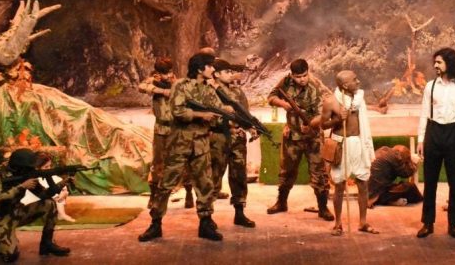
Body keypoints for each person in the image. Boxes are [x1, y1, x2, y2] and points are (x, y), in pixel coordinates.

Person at [138, 52, 224, 242]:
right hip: (179, 143)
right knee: (166, 183)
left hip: (201, 144)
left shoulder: (209, 89)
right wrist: (201, 115)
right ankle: (155, 223)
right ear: (200, 69)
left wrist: (229, 115)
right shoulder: (180, 85)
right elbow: (178, 112)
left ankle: (205, 222)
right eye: (210, 66)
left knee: (205, 184)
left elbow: (218, 112)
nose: (213, 69)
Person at [416, 48, 455, 239]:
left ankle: (453, 224)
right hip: (433, 132)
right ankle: (427, 223)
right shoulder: (430, 86)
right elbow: (424, 113)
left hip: (454, 133)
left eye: (439, 62)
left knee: (454, 182)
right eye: (435, 62)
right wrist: (421, 139)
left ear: (449, 63)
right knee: (430, 181)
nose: (435, 65)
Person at [266, 58, 335, 221]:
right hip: (292, 136)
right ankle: (281, 202)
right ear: (292, 75)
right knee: (286, 171)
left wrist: (312, 125)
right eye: (298, 77)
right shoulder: (285, 81)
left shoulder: (316, 86)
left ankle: (323, 208)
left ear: (308, 72)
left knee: (319, 173)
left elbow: (326, 111)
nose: (302, 79)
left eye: (304, 75)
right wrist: (283, 104)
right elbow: (271, 97)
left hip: (313, 137)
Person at [0, 148, 70, 262]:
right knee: (10, 257)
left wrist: (62, 183)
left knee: (49, 204)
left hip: (18, 211)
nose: (31, 169)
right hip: (0, 217)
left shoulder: (26, 171)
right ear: (20, 166)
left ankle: (47, 244)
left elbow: (43, 195)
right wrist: (21, 187)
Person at [320, 70, 377, 236]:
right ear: (345, 85)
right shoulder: (331, 101)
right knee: (339, 185)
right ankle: (338, 224)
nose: (358, 82)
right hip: (341, 144)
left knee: (363, 183)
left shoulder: (358, 98)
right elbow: (323, 125)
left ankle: (363, 222)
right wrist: (338, 119)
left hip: (359, 142)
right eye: (355, 80)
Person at [211, 59, 256, 227]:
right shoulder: (210, 92)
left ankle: (239, 212)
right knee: (213, 176)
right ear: (216, 74)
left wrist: (250, 127)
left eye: (231, 71)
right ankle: (206, 216)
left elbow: (244, 114)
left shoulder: (237, 91)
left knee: (239, 176)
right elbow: (209, 115)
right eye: (227, 72)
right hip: (218, 138)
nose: (231, 74)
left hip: (237, 138)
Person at [137, 57, 185, 211]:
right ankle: (154, 195)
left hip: (176, 128)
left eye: (168, 72)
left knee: (181, 160)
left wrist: (171, 87)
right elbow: (141, 87)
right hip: (161, 128)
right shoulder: (154, 81)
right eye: (164, 73)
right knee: (158, 162)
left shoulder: (176, 82)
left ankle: (188, 191)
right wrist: (161, 90)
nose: (167, 76)